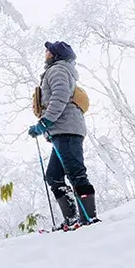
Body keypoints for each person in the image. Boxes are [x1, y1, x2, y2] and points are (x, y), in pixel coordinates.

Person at [28, 41, 98, 230]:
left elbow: (59, 97)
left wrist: (45, 122)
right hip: (63, 130)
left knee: (76, 173)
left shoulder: (58, 70)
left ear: (56, 54)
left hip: (66, 130)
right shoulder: (58, 70)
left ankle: (89, 218)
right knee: (54, 176)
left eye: (48, 50)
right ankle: (72, 219)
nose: (45, 52)